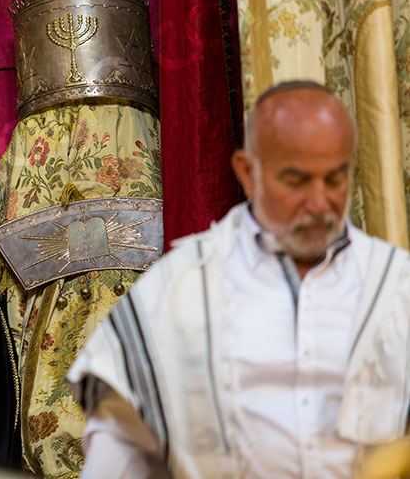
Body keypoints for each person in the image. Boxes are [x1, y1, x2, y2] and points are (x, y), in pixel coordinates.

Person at [68, 81, 410, 478]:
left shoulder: (395, 286)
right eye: (297, 181)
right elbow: (117, 447)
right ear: (248, 173)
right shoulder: (179, 291)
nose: (320, 203)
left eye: (334, 179)